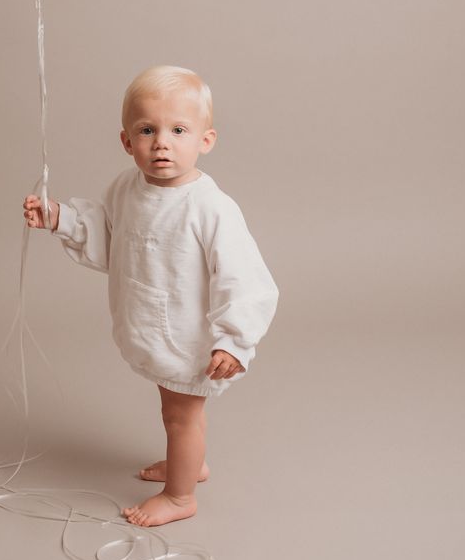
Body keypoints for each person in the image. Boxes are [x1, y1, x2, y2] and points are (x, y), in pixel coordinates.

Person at [22, 65, 279, 528]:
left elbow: (245, 278)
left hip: (191, 338)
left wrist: (234, 340)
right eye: (147, 130)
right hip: (154, 325)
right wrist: (58, 216)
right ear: (127, 142)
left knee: (183, 418)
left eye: (179, 130)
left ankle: (181, 495)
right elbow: (107, 235)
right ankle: (189, 463)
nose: (162, 142)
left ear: (206, 140)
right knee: (174, 413)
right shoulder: (126, 189)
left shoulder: (210, 207)